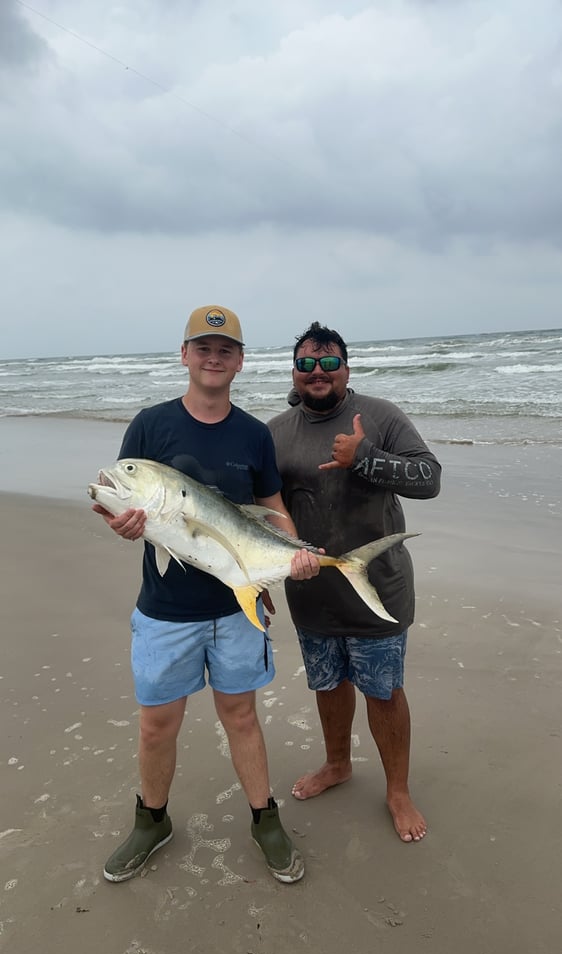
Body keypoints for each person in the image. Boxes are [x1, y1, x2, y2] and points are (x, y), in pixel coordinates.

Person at [92, 304, 318, 883]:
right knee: (155, 724)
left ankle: (265, 820)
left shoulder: (253, 434)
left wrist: (296, 554)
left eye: (225, 350)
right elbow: (123, 500)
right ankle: (151, 822)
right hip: (166, 609)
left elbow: (271, 510)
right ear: (185, 354)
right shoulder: (150, 425)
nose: (213, 358)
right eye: (203, 347)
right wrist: (123, 524)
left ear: (239, 362)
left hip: (236, 603)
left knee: (241, 716)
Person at [268, 321, 441, 843]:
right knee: (327, 684)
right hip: (311, 592)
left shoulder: (381, 417)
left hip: (379, 591)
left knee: (383, 691)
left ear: (346, 368)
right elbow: (262, 510)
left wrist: (363, 457)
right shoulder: (274, 432)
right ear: (294, 373)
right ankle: (338, 763)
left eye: (327, 363)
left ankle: (397, 790)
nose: (316, 373)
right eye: (305, 364)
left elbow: (430, 479)